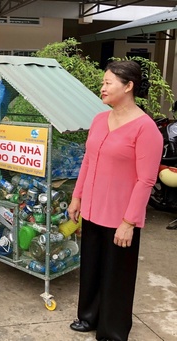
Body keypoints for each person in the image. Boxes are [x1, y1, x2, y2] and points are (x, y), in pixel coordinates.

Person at [67, 60, 163, 341]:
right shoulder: (99, 120)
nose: (103, 88)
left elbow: (146, 180)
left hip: (121, 216)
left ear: (128, 86)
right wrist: (77, 197)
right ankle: (88, 317)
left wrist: (129, 222)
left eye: (108, 83)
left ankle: (113, 331)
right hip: (93, 210)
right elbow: (88, 161)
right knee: (91, 267)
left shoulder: (146, 130)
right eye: (103, 83)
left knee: (116, 276)